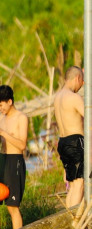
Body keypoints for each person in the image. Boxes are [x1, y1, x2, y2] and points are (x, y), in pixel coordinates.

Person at [0, 85, 28, 229]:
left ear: (10, 101)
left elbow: (22, 145)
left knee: (12, 206)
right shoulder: (1, 118)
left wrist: (4, 133)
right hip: (0, 160)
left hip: (14, 161)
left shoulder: (21, 118)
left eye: (0, 104)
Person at [54, 66, 85, 208]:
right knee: (79, 184)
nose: (82, 85)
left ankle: (69, 219)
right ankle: (76, 221)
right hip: (75, 142)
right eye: (82, 81)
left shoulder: (58, 97)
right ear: (77, 78)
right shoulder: (74, 97)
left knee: (72, 185)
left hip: (63, 142)